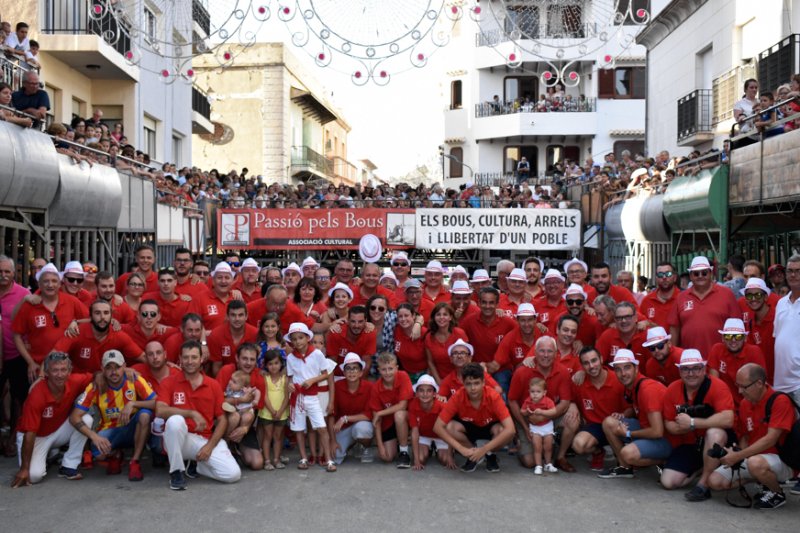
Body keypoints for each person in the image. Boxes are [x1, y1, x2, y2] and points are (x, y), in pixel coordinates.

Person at [707, 364, 796, 510]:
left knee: (755, 463)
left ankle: (777, 493)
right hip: (755, 458)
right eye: (737, 386)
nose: (740, 391)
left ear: (759, 383)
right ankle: (763, 481)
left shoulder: (780, 401)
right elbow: (745, 437)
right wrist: (735, 454)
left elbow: (771, 439)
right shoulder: (744, 404)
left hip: (784, 460)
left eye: (744, 387)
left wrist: (739, 456)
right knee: (715, 481)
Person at [157, 340, 241, 490]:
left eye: (194, 357)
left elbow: (222, 420)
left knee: (232, 474)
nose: (190, 361)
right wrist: (190, 413)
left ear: (201, 359)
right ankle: (177, 471)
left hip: (204, 439)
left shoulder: (213, 385)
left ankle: (196, 465)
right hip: (178, 440)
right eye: (186, 357)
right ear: (180, 359)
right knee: (175, 421)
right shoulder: (168, 382)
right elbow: (160, 410)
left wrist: (210, 446)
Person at [657, 348, 736, 501]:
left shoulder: (717, 386)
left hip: (718, 442)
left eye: (696, 369)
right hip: (691, 444)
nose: (691, 373)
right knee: (668, 482)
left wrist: (692, 423)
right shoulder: (673, 389)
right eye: (686, 369)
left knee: (714, 432)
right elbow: (668, 423)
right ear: (680, 371)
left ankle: (703, 484)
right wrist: (680, 427)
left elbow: (728, 419)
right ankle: (701, 468)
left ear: (704, 369)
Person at [70, 350, 156, 481]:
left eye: (117, 367)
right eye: (108, 368)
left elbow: (157, 403)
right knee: (99, 455)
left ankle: (135, 461)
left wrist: (133, 403)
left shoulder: (134, 379)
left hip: (133, 427)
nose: (113, 372)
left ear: (124, 366)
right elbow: (74, 417)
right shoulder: (95, 386)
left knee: (145, 415)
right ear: (102, 369)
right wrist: (94, 437)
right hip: (111, 430)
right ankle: (115, 454)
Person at [11, 352, 93, 486]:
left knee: (86, 419)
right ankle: (47, 456)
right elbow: (29, 433)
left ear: (69, 371)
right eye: (55, 370)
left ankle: (69, 465)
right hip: (35, 436)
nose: (59, 374)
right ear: (47, 372)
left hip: (57, 430)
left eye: (63, 370)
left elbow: (96, 376)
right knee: (33, 476)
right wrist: (24, 469)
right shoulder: (37, 394)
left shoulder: (74, 380)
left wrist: (101, 376)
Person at [599, 349, 671, 479]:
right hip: (649, 429)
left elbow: (657, 431)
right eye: (618, 369)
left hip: (668, 439)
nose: (623, 373)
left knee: (628, 453)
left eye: (627, 368)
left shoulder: (647, 389)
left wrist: (627, 434)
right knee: (609, 423)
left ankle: (666, 461)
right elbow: (638, 409)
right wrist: (624, 414)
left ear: (636, 368)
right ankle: (625, 468)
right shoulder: (633, 385)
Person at [13, 263, 88, 382]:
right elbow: (16, 335)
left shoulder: (72, 301)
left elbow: (91, 319)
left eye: (54, 281)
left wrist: (76, 321)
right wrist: (30, 362)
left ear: (59, 284)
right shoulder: (29, 305)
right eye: (46, 281)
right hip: (39, 368)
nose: (50, 285)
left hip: (68, 367)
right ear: (39, 284)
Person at [508, 336, 574, 471]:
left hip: (551, 415)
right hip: (527, 417)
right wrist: (526, 427)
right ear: (535, 352)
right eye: (542, 351)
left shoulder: (562, 372)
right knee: (530, 462)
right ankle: (521, 443)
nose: (545, 355)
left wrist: (546, 416)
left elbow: (565, 402)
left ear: (556, 354)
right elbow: (512, 400)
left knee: (572, 420)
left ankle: (560, 456)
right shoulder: (522, 371)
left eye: (550, 351)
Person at [433, 363, 515, 473]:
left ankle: (490, 454)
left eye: (476, 383)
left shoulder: (493, 396)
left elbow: (511, 430)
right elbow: (437, 427)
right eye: (468, 384)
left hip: (490, 428)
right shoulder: (458, 396)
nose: (473, 388)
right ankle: (472, 454)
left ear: (483, 382)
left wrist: (484, 449)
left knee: (503, 431)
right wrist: (461, 449)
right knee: (450, 427)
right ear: (463, 383)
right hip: (469, 428)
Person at [566, 347, 628, 472]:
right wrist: (572, 405)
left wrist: (622, 414)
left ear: (601, 359)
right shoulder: (579, 382)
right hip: (595, 427)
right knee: (578, 445)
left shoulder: (617, 379)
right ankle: (598, 451)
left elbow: (631, 407)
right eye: (586, 363)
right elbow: (569, 398)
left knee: (612, 425)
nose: (591, 366)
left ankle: (624, 461)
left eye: (594, 360)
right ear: (582, 366)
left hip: (617, 424)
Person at [285, 322, 335, 472]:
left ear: (307, 338)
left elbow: (325, 373)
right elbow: (289, 377)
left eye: (300, 338)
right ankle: (303, 457)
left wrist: (312, 380)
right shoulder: (290, 358)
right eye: (294, 339)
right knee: (299, 429)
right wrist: (290, 385)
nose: (297, 341)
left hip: (312, 396)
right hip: (297, 397)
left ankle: (329, 460)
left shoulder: (317, 354)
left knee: (321, 427)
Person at [669, 256, 741, 356]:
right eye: (696, 273)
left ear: (711, 273)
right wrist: (674, 355)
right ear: (690, 276)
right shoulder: (680, 298)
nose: (700, 276)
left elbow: (738, 328)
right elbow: (674, 330)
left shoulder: (727, 294)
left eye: (704, 273)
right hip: (690, 362)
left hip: (721, 359)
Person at [53, 299, 144, 372]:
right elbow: (53, 356)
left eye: (106, 313)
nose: (102, 317)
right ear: (91, 316)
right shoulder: (76, 332)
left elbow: (143, 357)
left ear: (111, 316)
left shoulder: (119, 335)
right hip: (79, 383)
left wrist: (129, 370)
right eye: (97, 313)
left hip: (107, 382)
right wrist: (41, 377)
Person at [131, 341, 181, 467]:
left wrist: (134, 403)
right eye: (150, 354)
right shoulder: (138, 371)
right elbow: (113, 371)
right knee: (144, 414)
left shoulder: (177, 374)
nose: (155, 357)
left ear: (165, 354)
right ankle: (141, 458)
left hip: (171, 423)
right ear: (146, 358)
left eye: (158, 353)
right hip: (148, 424)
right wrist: (126, 370)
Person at [0, 255, 31, 455]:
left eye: (6, 271)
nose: (3, 275)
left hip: (17, 355)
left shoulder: (23, 294)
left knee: (20, 399)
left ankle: (12, 439)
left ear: (14, 273)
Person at [707, 318, 766, 407]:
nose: (733, 340)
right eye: (728, 336)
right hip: (726, 403)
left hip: (750, 403)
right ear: (723, 338)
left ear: (745, 338)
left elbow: (759, 386)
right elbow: (714, 384)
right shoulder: (717, 349)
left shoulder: (754, 351)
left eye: (738, 336)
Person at [369, 352, 413, 467]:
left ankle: (404, 452)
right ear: (379, 370)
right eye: (384, 369)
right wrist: (380, 446)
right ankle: (399, 441)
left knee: (399, 415)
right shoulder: (376, 388)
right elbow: (376, 421)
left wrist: (380, 413)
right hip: (388, 423)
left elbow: (403, 406)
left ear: (397, 368)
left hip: (407, 419)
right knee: (386, 457)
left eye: (390, 369)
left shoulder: (403, 376)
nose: (387, 373)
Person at [333, 352, 375, 464]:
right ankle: (352, 445)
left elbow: (369, 414)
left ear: (361, 372)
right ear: (344, 372)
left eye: (355, 368)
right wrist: (332, 440)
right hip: (343, 428)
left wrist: (345, 418)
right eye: (348, 369)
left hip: (360, 424)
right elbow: (331, 413)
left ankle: (364, 447)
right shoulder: (337, 386)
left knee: (362, 430)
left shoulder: (369, 387)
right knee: (335, 457)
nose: (352, 372)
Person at [408, 374, 454, 470]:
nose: (425, 394)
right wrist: (416, 460)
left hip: (441, 437)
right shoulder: (413, 405)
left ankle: (438, 450)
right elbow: (415, 432)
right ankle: (428, 449)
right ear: (416, 393)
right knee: (420, 459)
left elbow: (449, 430)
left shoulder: (442, 406)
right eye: (421, 390)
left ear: (434, 393)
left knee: (445, 460)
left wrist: (450, 457)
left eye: (429, 391)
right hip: (424, 435)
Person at [773, 254, 800, 414]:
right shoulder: (781, 303)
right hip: (781, 382)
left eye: (798, 271)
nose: (793, 275)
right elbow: (778, 337)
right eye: (789, 271)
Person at [207, 300, 258, 375]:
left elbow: (258, 365)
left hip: (249, 378)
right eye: (233, 315)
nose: (237, 319)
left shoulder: (255, 334)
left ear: (246, 316)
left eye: (240, 315)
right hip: (225, 378)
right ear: (227, 316)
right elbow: (217, 368)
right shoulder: (216, 335)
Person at [739, 277, 776, 381]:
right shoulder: (750, 323)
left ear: (765, 297)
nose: (753, 299)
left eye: (758, 295)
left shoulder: (778, 317)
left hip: (784, 381)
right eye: (749, 295)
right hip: (763, 383)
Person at [258, 349, 289, 470]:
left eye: (276, 363)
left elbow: (287, 397)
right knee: (267, 436)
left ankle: (276, 459)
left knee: (278, 436)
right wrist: (271, 410)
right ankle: (267, 461)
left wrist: (280, 411)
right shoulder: (265, 379)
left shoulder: (284, 379)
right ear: (266, 365)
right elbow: (264, 396)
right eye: (270, 364)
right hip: (267, 412)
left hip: (281, 413)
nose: (273, 366)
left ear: (281, 364)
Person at [327, 305, 377, 378]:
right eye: (353, 321)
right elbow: (331, 364)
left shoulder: (370, 333)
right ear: (347, 321)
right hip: (337, 376)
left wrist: (357, 385)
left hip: (359, 376)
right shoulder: (336, 333)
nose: (356, 325)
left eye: (360, 322)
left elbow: (366, 363)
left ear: (366, 321)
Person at [522, 377, 559, 475]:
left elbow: (554, 411)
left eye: (538, 391)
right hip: (535, 427)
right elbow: (522, 411)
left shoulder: (547, 401)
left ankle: (548, 464)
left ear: (544, 392)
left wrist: (543, 412)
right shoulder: (528, 401)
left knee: (548, 447)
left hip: (547, 426)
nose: (535, 394)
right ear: (529, 391)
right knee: (537, 447)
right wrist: (527, 412)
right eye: (532, 391)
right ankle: (538, 465)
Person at [424, 303, 466, 383]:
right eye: (438, 314)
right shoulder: (429, 337)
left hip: (459, 378)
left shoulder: (459, 333)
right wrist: (439, 382)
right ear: (434, 317)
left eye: (445, 314)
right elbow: (430, 362)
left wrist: (462, 379)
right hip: (439, 378)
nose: (441, 317)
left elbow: (467, 359)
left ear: (450, 317)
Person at [596, 302, 648, 366]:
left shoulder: (646, 336)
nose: (624, 321)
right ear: (615, 320)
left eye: (628, 317)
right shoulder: (607, 336)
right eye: (619, 318)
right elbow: (596, 362)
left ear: (636, 318)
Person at [639, 262, 680, 330]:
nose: (664, 277)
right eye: (660, 274)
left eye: (668, 274)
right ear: (656, 279)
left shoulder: (683, 298)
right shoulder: (647, 301)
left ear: (675, 278)